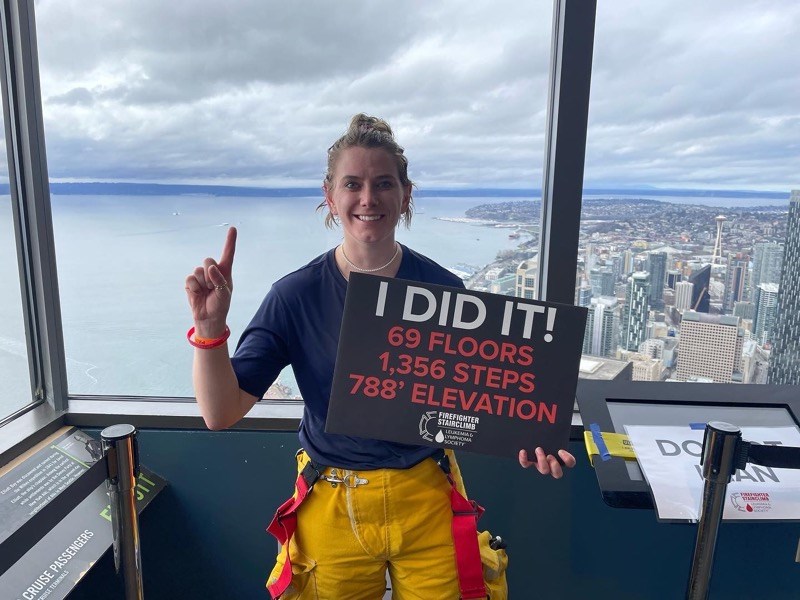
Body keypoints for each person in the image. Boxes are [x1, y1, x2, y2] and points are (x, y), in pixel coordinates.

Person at [185, 114, 576, 599]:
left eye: (383, 183)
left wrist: (530, 434)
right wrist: (209, 329)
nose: (368, 198)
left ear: (405, 195)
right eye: (353, 184)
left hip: (427, 493)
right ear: (330, 196)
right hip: (332, 497)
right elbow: (220, 411)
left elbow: (482, 400)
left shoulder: (445, 292)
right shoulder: (295, 295)